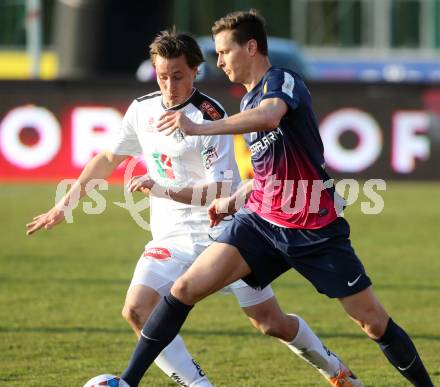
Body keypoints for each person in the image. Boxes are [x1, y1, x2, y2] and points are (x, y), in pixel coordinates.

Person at [26, 29, 362, 387]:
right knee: (137, 309)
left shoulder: (208, 117)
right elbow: (108, 158)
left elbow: (218, 190)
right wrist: (65, 203)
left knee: (269, 322)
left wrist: (162, 189)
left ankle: (334, 369)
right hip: (171, 238)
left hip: (224, 235)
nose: (170, 85)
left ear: (196, 71)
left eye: (178, 76)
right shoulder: (141, 110)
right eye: (162, 76)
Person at [118, 11, 434, 387]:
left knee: (372, 322)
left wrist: (200, 128)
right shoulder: (248, 101)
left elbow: (270, 117)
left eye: (224, 51)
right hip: (261, 224)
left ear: (251, 48)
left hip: (314, 226)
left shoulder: (282, 81)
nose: (218, 61)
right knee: (184, 290)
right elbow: (265, 176)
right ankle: (126, 382)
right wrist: (232, 200)